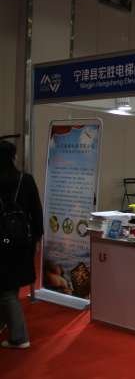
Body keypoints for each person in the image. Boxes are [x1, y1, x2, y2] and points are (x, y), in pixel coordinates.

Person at [0, 140, 43, 349]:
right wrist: (37, 237)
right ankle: (4, 322)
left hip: (2, 243)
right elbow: (37, 211)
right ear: (13, 157)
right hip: (23, 241)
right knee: (11, 285)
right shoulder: (25, 180)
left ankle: (19, 337)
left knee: (6, 290)